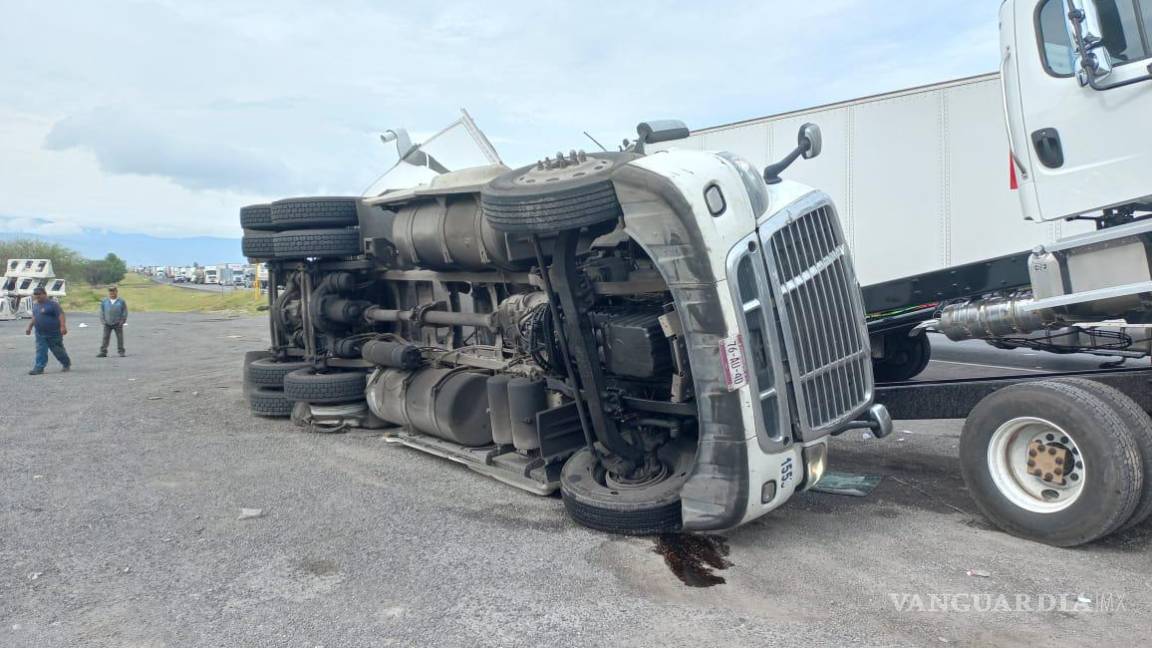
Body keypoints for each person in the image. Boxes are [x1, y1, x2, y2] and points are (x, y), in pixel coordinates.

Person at [25, 286, 71, 375]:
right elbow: (35, 317)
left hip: (54, 333)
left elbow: (60, 315)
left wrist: (63, 326)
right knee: (41, 350)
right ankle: (39, 367)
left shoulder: (53, 304)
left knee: (57, 350)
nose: (37, 296)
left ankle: (66, 363)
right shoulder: (36, 305)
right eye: (35, 294)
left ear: (45, 294)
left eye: (39, 294)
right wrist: (29, 327)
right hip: (40, 333)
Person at [98, 285, 128, 357]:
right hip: (107, 323)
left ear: (116, 292)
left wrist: (123, 320)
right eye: (110, 291)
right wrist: (103, 320)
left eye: (113, 291)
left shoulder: (121, 301)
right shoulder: (105, 301)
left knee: (120, 338)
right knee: (105, 338)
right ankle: (103, 352)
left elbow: (125, 311)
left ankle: (121, 352)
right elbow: (101, 311)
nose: (112, 293)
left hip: (118, 323)